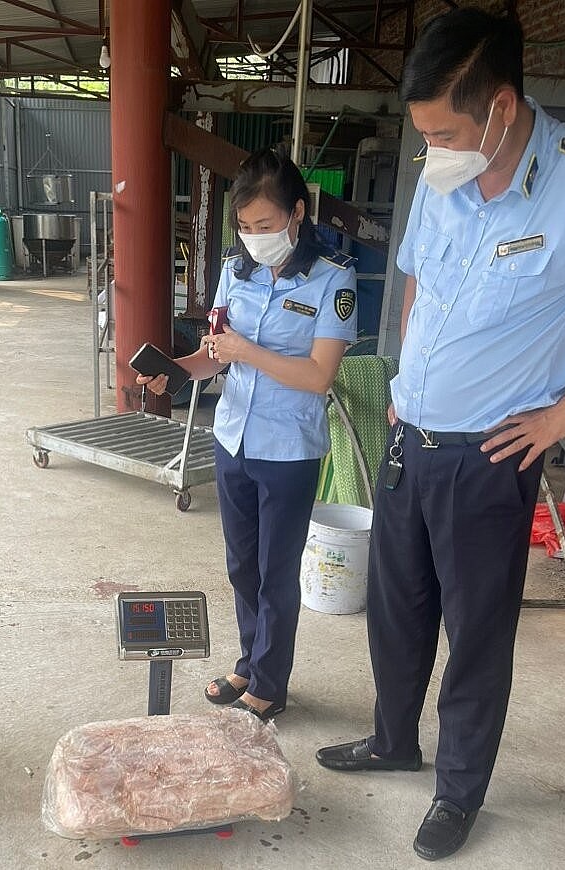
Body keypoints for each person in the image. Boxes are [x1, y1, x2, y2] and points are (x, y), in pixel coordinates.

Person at [315, 7, 565, 862]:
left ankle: (459, 791)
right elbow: (413, 281)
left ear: (503, 108)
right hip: (411, 439)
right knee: (396, 614)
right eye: (424, 133)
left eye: (445, 130)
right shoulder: (445, 173)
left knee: (475, 637)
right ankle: (392, 739)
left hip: (490, 457)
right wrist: (404, 383)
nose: (432, 148)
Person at [138, 147, 357, 721]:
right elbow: (215, 354)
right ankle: (248, 661)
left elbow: (318, 375)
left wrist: (245, 352)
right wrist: (179, 369)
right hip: (232, 437)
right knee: (242, 566)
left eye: (265, 225)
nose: (254, 236)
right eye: (244, 226)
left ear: (297, 214)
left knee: (276, 572)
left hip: (288, 449)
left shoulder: (333, 280)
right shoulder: (236, 272)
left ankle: (270, 681)